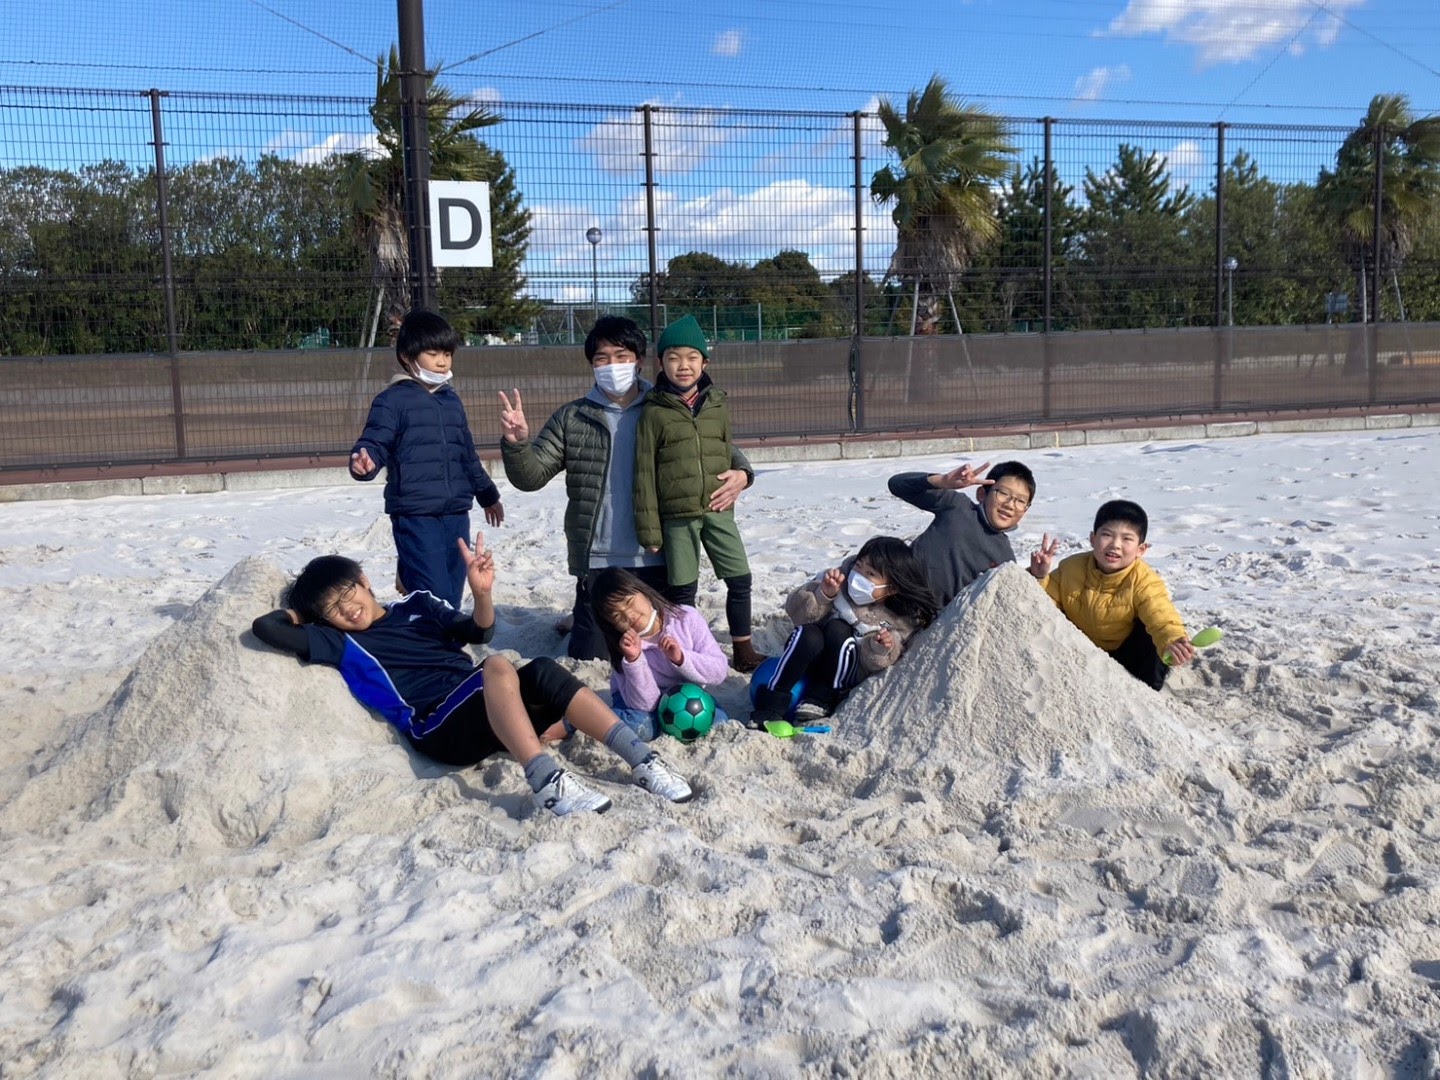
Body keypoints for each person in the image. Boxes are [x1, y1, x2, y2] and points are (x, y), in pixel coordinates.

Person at [250, 536, 695, 817]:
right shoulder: (341, 642)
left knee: (539, 670)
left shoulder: (418, 606)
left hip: (490, 710)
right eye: (332, 609)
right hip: (438, 727)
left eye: (347, 593)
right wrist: (303, 612)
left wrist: (482, 594)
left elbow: (479, 630)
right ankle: (546, 781)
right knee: (499, 664)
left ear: (365, 580)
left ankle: (644, 762)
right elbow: (266, 628)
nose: (346, 609)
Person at [498, 315, 753, 663]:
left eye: (622, 356)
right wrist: (517, 444)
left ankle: (584, 616)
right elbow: (531, 477)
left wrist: (743, 473)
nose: (613, 365)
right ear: (591, 364)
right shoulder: (573, 417)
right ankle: (582, 614)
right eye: (602, 358)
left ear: (641, 360)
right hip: (601, 561)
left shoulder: (665, 404)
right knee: (593, 657)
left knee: (662, 655)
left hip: (659, 556)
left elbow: (715, 448)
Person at [634, 315, 764, 673]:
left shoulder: (718, 403)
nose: (683, 365)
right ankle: (686, 654)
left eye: (692, 357)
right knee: (683, 592)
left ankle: (743, 649)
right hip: (677, 517)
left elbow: (726, 447)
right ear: (661, 363)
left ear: (705, 362)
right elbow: (644, 472)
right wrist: (649, 530)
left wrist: (742, 475)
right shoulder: (653, 411)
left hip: (718, 507)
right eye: (674, 357)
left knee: (740, 579)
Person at [349, 309, 504, 610]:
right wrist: (364, 462)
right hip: (415, 513)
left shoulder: (451, 400)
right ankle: (434, 646)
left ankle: (409, 576)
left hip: (456, 511)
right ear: (408, 357)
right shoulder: (392, 400)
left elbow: (466, 454)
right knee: (435, 595)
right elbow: (374, 441)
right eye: (433, 354)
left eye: (447, 353)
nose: (443, 361)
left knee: (453, 585)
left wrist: (487, 494)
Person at [749, 536, 939, 728]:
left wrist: (880, 646)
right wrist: (823, 594)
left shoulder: (895, 619)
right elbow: (798, 614)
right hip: (809, 659)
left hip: (841, 673)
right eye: (858, 566)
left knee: (837, 629)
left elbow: (877, 663)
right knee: (808, 635)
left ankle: (821, 699)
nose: (859, 575)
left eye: (870, 573)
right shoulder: (838, 581)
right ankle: (771, 705)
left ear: (890, 588)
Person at [1037, 499, 1195, 690]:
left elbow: (1160, 616)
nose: (1115, 545)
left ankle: (1146, 695)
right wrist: (1039, 576)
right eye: (1107, 535)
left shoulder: (1144, 580)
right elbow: (1043, 603)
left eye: (1127, 539)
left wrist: (1172, 640)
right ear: (1093, 539)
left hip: (1126, 655)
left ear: (1141, 549)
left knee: (1151, 637)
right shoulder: (1071, 568)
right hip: (1077, 652)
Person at [588, 567, 732, 740]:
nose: (629, 615)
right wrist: (634, 660)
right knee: (643, 728)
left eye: (628, 602)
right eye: (617, 616)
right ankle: (584, 719)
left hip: (686, 695)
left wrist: (681, 658)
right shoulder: (624, 647)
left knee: (719, 723)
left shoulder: (686, 618)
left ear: (643, 591)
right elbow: (644, 704)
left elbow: (719, 671)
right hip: (637, 700)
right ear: (612, 625)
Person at [887, 460, 1055, 608]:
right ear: (982, 494)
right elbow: (897, 485)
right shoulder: (957, 507)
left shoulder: (1005, 558)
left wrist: (1036, 575)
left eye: (1020, 501)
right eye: (1003, 493)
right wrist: (942, 481)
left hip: (931, 626)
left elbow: (1009, 603)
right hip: (895, 593)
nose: (1010, 504)